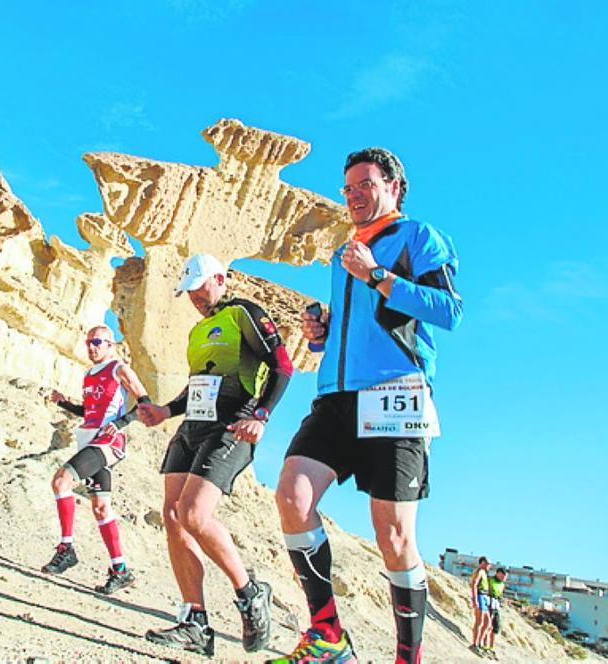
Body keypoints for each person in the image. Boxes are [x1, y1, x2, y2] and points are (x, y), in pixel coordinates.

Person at [270, 147, 462, 664]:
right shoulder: (343, 252)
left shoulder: (419, 237)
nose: (354, 195)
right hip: (334, 396)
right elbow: (364, 323)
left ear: (393, 187)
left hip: (396, 394)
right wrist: (322, 336)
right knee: (292, 495)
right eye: (347, 187)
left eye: (365, 184)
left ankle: (408, 658)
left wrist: (378, 276)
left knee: (394, 535)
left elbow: (449, 311)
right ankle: (328, 635)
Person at [136, 253, 293, 657]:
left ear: (220, 278)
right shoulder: (199, 331)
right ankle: (195, 621)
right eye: (187, 292)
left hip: (234, 425)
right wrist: (165, 412)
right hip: (193, 428)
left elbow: (283, 366)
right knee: (173, 517)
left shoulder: (244, 313)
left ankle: (249, 592)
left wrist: (262, 414)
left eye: (199, 288)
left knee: (194, 514)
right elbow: (197, 388)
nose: (194, 297)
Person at [41, 325, 151, 595]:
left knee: (61, 481)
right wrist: (63, 403)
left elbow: (145, 403)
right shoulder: (89, 374)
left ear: (110, 345)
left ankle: (66, 549)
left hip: (107, 443)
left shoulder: (119, 369)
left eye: (98, 342)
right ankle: (121, 570)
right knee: (101, 507)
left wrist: (122, 423)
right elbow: (89, 410)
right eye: (88, 342)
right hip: (89, 440)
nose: (92, 347)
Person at [469, 556, 494, 657]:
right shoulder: (479, 571)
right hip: (480, 596)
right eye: (488, 563)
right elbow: (474, 584)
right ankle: (475, 644)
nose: (489, 566)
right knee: (479, 621)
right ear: (483, 563)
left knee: (487, 623)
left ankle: (479, 643)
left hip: (484, 597)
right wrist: (475, 599)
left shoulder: (484, 573)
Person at [484, 567, 508, 660]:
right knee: (488, 625)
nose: (504, 578)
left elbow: (500, 595)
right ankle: (485, 645)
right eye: (503, 576)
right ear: (498, 573)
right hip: (489, 603)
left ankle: (491, 647)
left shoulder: (502, 584)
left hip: (496, 605)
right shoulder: (490, 580)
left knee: (496, 627)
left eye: (505, 577)